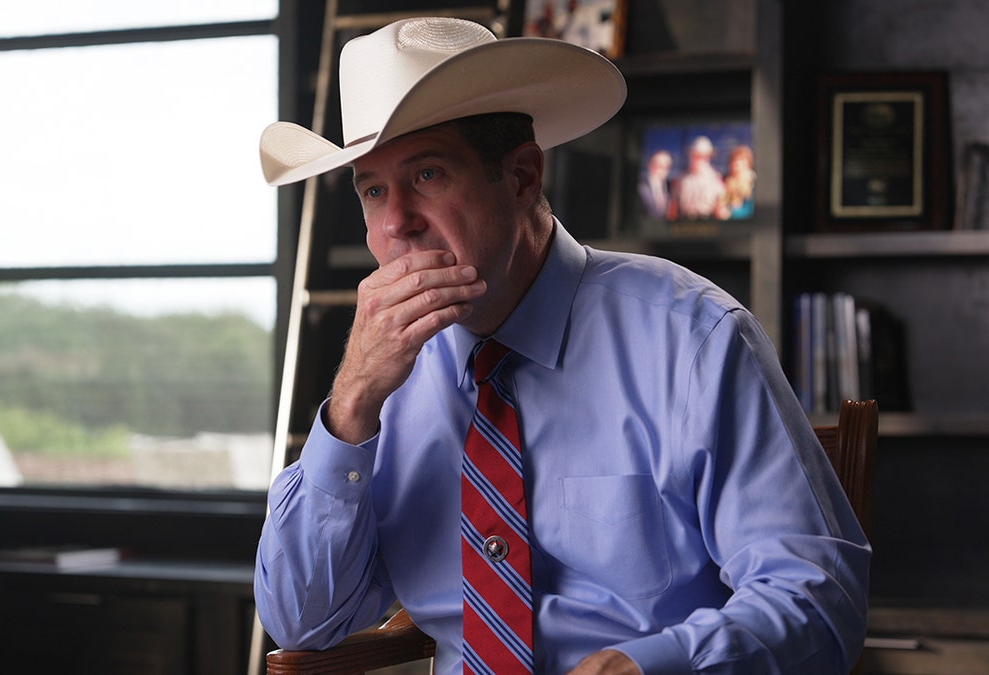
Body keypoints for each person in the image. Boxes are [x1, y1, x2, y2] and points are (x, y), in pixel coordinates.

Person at [255, 16, 870, 675]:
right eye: (373, 190)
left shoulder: (693, 335)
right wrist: (349, 406)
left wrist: (651, 666)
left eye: (427, 175)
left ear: (521, 177)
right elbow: (303, 620)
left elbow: (817, 598)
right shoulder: (384, 382)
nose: (396, 221)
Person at [675, 135, 728, 220]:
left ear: (708, 157)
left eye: (702, 156)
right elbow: (674, 207)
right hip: (684, 225)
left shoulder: (716, 179)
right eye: (695, 155)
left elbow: (721, 209)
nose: (698, 159)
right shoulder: (681, 179)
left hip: (708, 223)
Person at [637, 149, 674, 219]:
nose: (663, 171)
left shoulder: (669, 189)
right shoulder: (641, 188)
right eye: (660, 166)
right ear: (650, 165)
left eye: (666, 167)